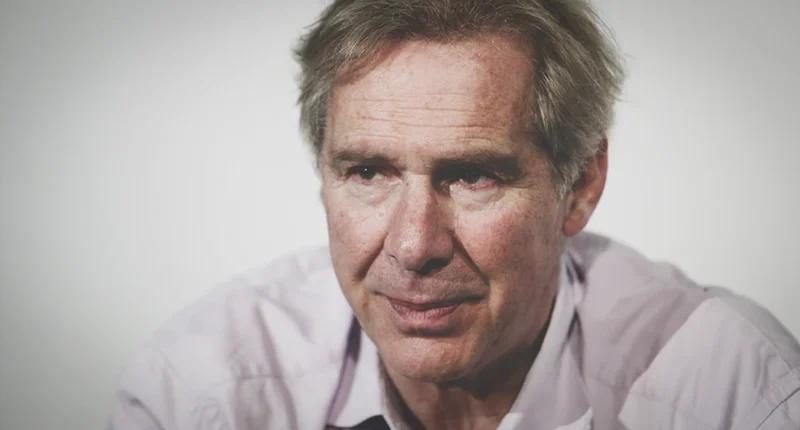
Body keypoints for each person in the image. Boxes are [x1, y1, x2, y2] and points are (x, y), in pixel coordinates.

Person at [107, 0, 800, 429]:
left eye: (472, 175)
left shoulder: (734, 392)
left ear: (581, 185)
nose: (414, 246)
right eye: (368, 172)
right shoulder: (205, 391)